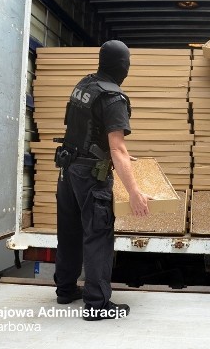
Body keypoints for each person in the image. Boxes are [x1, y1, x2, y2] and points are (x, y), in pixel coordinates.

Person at [53, 40, 150, 320]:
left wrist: (116, 157)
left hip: (68, 169)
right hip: (90, 177)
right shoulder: (113, 97)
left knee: (69, 233)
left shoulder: (84, 85)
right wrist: (133, 191)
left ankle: (66, 289)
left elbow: (85, 130)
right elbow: (117, 147)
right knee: (98, 235)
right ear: (123, 66)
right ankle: (97, 304)